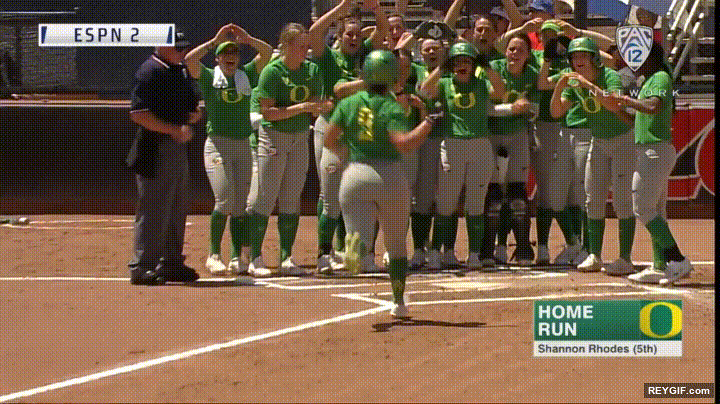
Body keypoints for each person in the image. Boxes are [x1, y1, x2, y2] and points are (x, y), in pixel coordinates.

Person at [324, 49, 437, 318]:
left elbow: (329, 139)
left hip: (355, 174)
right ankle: (398, 302)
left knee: (359, 235)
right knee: (396, 244)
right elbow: (404, 144)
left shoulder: (349, 103)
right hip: (389, 176)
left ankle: (356, 250)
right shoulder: (391, 106)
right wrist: (428, 123)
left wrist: (346, 154)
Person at [184, 24, 273, 277]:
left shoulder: (246, 75)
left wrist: (249, 39)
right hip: (218, 145)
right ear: (218, 58)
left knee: (241, 205)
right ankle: (213, 255)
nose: (230, 57)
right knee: (224, 199)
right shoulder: (209, 77)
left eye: (234, 53)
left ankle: (236, 257)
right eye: (225, 53)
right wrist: (214, 41)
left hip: (243, 145)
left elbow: (267, 53)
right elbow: (189, 60)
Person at [309, 0, 389, 274]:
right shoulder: (329, 57)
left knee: (363, 196)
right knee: (330, 198)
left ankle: (362, 254)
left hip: (361, 132)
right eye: (348, 34)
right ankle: (324, 254)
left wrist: (375, 8)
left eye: (357, 34)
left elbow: (383, 29)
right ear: (340, 36)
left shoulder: (366, 53)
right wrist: (340, 9)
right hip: (332, 130)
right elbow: (314, 33)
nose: (353, 39)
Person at [246, 22, 329, 276]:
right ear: (287, 46)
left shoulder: (312, 70)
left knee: (292, 198)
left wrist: (318, 106)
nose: (306, 51)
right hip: (273, 137)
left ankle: (286, 257)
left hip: (300, 136)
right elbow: (268, 113)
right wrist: (300, 108)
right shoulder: (272, 71)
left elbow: (316, 102)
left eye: (307, 46)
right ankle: (255, 257)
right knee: (265, 197)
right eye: (301, 46)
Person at [550, 37, 636, 275]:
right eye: (574, 57)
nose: (578, 61)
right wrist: (560, 87)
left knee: (622, 200)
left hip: (622, 140)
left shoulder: (610, 76)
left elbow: (614, 105)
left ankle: (625, 258)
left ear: (594, 58)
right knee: (592, 198)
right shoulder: (575, 83)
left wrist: (587, 85)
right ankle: (594, 255)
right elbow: (556, 111)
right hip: (599, 141)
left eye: (583, 56)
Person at [610, 43, 693, 285]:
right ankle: (659, 265)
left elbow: (652, 106)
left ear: (650, 58)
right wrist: (616, 108)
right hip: (651, 150)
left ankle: (677, 259)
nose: (633, 63)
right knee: (654, 210)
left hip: (654, 152)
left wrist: (625, 99)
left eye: (638, 57)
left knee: (643, 209)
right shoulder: (650, 79)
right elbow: (637, 118)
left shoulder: (660, 77)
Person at [420, 41, 507, 270]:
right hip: (452, 144)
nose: (462, 65)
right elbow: (424, 90)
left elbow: (500, 91)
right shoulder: (445, 83)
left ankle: (474, 254)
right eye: (457, 61)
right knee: (446, 202)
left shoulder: (482, 84)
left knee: (476, 203)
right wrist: (442, 67)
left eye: (467, 61)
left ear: (473, 65)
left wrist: (486, 66)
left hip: (480, 145)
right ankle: (436, 252)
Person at [125, 30, 201, 285]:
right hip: (154, 149)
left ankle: (171, 263)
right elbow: (139, 114)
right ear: (161, 46)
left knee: (177, 207)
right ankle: (142, 266)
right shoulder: (149, 71)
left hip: (177, 150)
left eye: (184, 47)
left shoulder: (178, 70)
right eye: (177, 47)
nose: (182, 52)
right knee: (154, 209)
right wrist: (172, 130)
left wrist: (193, 114)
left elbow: (191, 102)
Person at [481, 33, 539, 268]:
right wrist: (510, 109)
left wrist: (528, 107)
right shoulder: (493, 70)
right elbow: (484, 107)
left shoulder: (532, 75)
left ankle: (523, 248)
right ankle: (488, 249)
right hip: (491, 135)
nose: (514, 54)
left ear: (528, 55)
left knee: (517, 195)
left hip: (518, 135)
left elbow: (536, 109)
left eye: (520, 50)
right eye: (511, 49)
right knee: (493, 195)